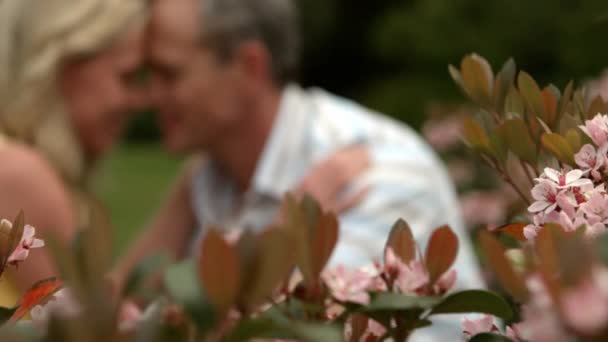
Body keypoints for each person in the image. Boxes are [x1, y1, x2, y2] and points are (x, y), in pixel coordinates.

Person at [116, 0, 482, 295]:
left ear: (248, 67)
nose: (150, 95)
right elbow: (112, 320)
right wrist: (276, 243)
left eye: (170, 74)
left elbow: (319, 330)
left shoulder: (376, 170)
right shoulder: (211, 174)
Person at [0, 0, 149, 304]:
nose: (138, 101)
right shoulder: (20, 177)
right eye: (127, 77)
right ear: (66, 65)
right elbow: (89, 329)